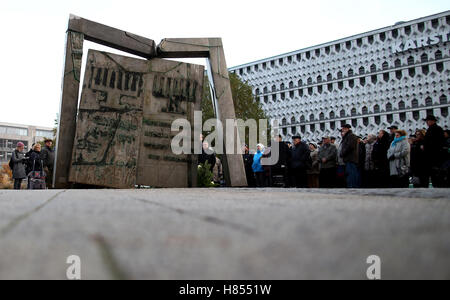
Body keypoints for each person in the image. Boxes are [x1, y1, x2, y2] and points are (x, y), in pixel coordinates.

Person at [423, 115, 446, 187]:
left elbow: (438, 142)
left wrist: (426, 146)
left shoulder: (437, 129)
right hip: (431, 155)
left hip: (435, 155)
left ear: (433, 121)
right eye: (427, 121)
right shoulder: (431, 129)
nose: (427, 122)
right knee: (433, 174)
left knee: (436, 174)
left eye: (428, 120)